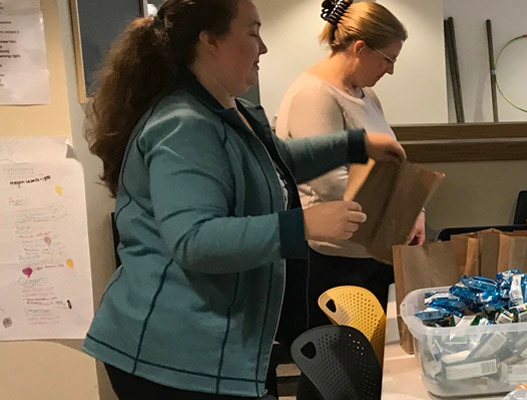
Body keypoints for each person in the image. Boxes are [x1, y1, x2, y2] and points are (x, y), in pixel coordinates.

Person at [80, 0, 404, 398]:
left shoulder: (231, 113)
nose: (263, 47)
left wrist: (356, 144)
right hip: (170, 354)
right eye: (252, 33)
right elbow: (193, 240)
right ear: (210, 41)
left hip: (217, 342)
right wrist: (303, 225)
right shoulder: (183, 125)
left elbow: (276, 164)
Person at [271, 1, 417, 398]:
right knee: (335, 374)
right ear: (359, 48)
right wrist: (400, 212)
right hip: (335, 259)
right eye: (387, 58)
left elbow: (388, 163)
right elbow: (331, 186)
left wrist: (414, 209)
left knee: (370, 369)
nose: (389, 69)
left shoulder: (365, 94)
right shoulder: (313, 96)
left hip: (371, 249)